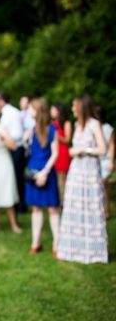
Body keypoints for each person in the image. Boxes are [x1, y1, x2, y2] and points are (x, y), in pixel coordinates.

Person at [57, 95, 108, 264]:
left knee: (91, 207)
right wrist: (74, 151)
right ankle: (72, 249)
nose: (72, 109)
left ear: (81, 107)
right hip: (76, 171)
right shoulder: (77, 125)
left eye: (74, 106)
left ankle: (93, 251)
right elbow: (72, 149)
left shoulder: (94, 124)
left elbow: (102, 149)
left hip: (90, 171)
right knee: (73, 206)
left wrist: (84, 149)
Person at [24, 99, 60, 256]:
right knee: (36, 208)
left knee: (53, 209)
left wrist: (45, 172)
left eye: (31, 108)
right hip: (33, 171)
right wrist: (26, 140)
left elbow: (55, 153)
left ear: (38, 111)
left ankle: (57, 245)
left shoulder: (52, 130)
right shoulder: (31, 130)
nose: (28, 111)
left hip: (47, 171)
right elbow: (29, 151)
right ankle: (35, 243)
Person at [0, 92, 26, 213]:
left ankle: (21, 206)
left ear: (1, 101)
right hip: (9, 148)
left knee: (17, 178)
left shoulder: (12, 112)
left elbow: (18, 133)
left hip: (16, 148)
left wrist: (4, 137)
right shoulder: (4, 113)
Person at [50, 103, 72, 205]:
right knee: (55, 178)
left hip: (63, 152)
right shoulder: (51, 123)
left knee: (63, 178)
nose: (51, 112)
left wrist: (57, 136)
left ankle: (65, 201)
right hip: (54, 151)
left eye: (53, 110)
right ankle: (58, 200)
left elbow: (67, 140)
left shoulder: (66, 123)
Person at [95, 106, 114, 218]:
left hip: (106, 161)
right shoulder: (93, 128)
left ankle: (106, 211)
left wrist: (111, 161)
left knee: (103, 185)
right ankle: (99, 209)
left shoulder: (108, 128)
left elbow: (112, 146)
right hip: (96, 161)